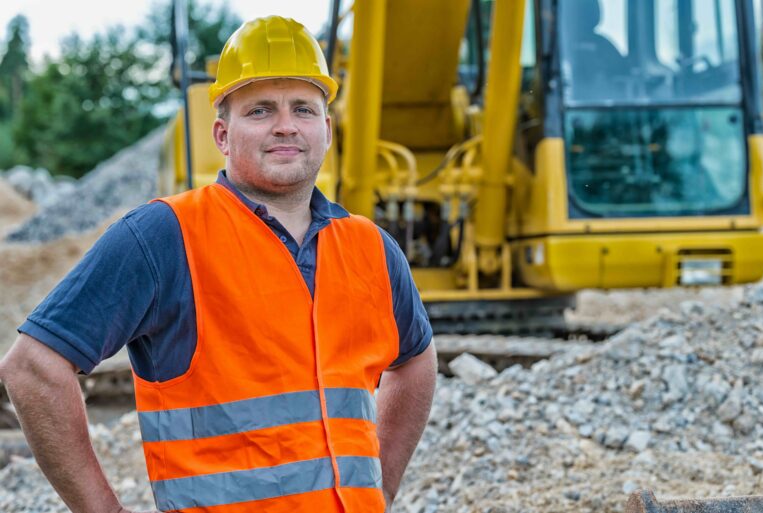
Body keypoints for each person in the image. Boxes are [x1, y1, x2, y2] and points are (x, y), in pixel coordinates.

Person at [0, 16, 436, 513]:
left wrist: (381, 489)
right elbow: (33, 367)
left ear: (327, 129)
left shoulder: (371, 247)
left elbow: (416, 359)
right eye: (260, 110)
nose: (286, 125)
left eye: (303, 108)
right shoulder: (163, 236)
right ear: (222, 136)